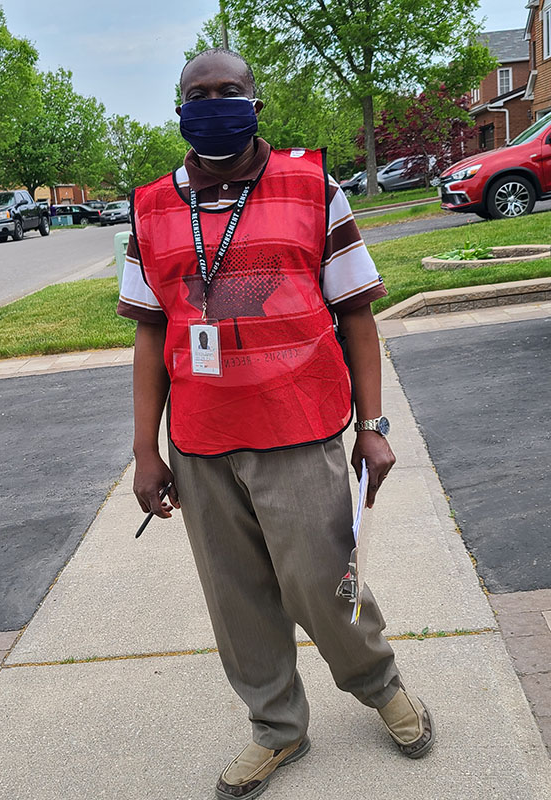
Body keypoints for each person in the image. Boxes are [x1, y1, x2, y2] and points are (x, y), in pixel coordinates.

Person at [117, 48, 435, 800]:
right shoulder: (152, 205)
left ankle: (380, 685)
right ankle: (277, 728)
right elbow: (148, 335)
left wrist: (374, 424)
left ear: (256, 103)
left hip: (301, 429)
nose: (215, 102)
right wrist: (144, 450)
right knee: (236, 600)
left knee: (328, 583)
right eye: (199, 92)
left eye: (230, 91)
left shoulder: (310, 185)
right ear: (179, 107)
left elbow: (356, 315)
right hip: (199, 441)